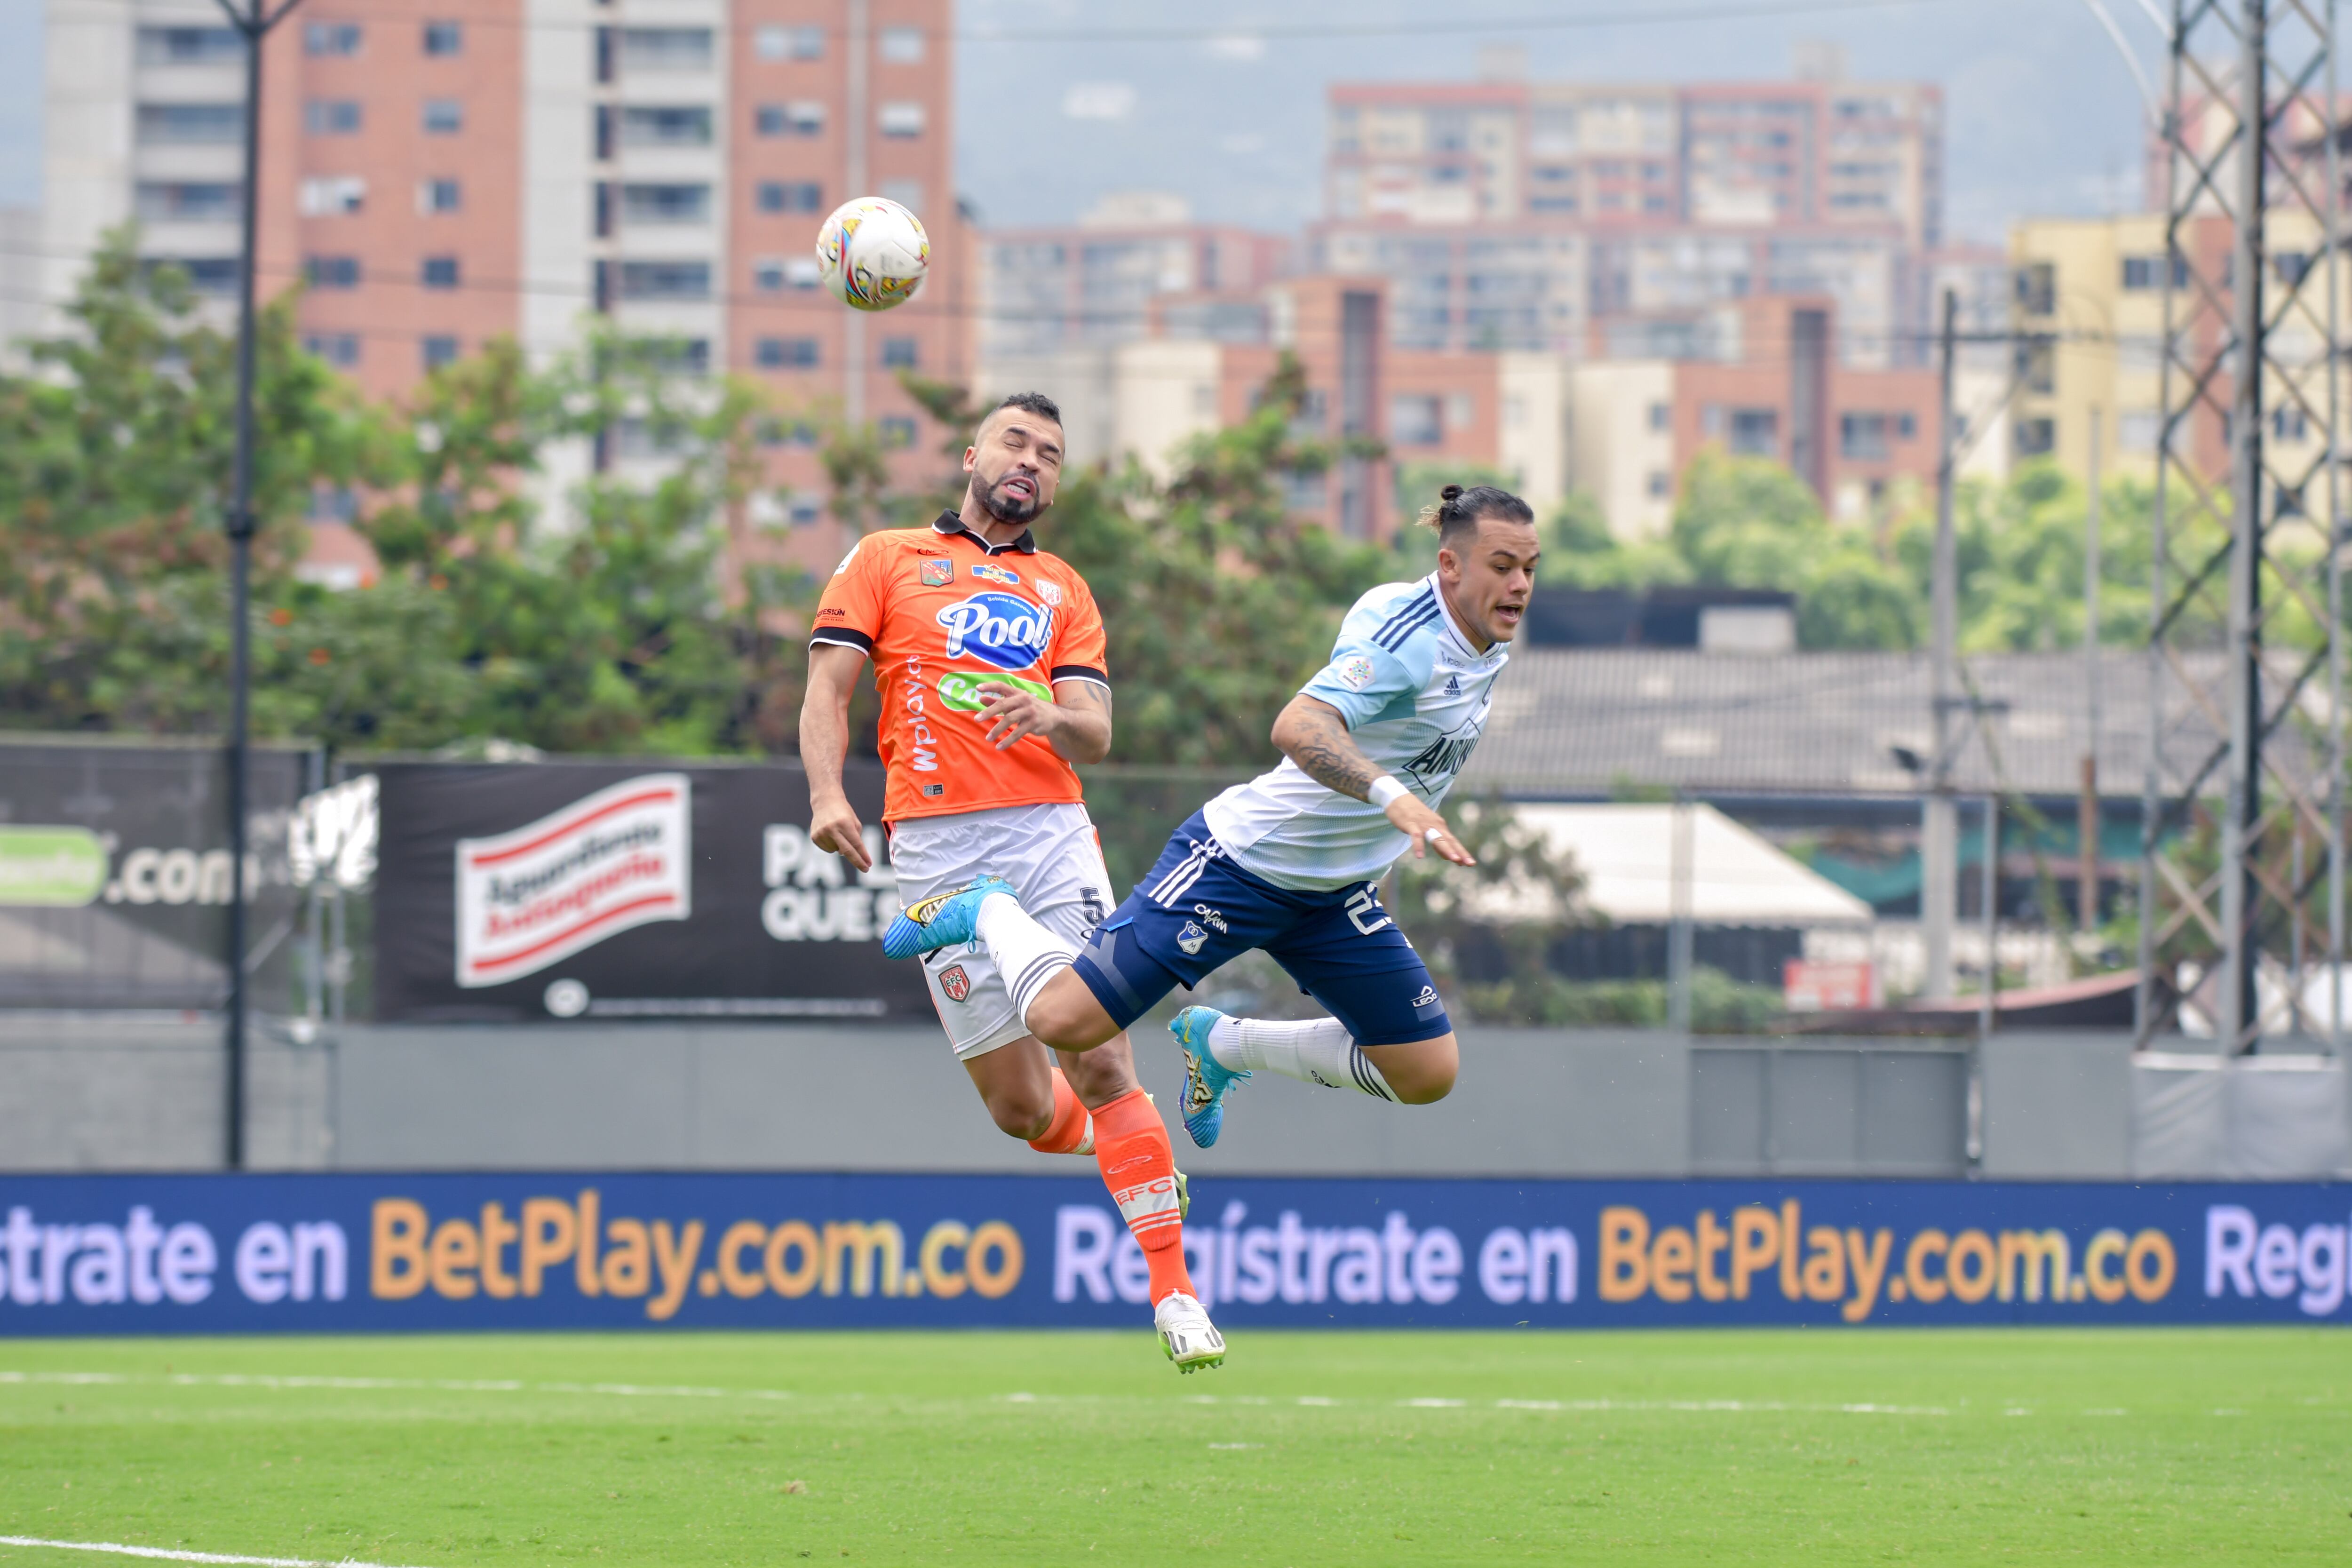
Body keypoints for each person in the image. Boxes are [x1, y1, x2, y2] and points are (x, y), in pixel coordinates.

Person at [882, 483, 1539, 1151]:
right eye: (1503, 565)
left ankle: (1223, 1043)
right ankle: (987, 908)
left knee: (1426, 1070)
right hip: (1237, 866)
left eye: (1529, 569)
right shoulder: (1410, 636)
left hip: (1331, 892)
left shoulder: (1485, 637)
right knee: (1063, 1022)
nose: (1519, 584)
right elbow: (1299, 725)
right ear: (1450, 566)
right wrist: (1393, 798)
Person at [803, 391, 1224, 1370]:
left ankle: (1174, 1293)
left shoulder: (1062, 588)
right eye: (1016, 441)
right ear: (972, 453)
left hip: (1045, 837)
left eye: (1051, 453)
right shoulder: (885, 558)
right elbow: (827, 687)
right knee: (1023, 1112)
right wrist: (827, 794)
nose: (1031, 461)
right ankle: (1140, 1157)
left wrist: (1045, 709)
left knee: (1099, 1056)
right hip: (934, 850)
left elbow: (1095, 728)